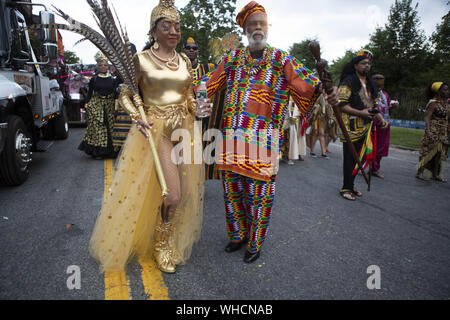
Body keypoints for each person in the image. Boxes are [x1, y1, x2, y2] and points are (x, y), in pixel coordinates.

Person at [195, 1, 338, 263]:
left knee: (259, 194)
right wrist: (196, 95)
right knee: (232, 191)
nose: (257, 28)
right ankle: (237, 236)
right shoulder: (232, 59)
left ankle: (255, 242)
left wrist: (327, 89)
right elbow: (205, 84)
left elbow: (311, 86)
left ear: (267, 27)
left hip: (264, 141)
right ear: (246, 29)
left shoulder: (282, 60)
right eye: (253, 24)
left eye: (262, 24)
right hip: (231, 140)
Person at [89, 0, 212, 274]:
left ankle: (166, 235)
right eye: (166, 26)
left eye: (177, 26)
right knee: (171, 194)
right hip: (156, 131)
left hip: (185, 132)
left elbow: (190, 98)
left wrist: (199, 108)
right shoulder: (141, 60)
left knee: (185, 193)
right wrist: (138, 116)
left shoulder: (185, 62)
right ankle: (161, 245)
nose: (174, 31)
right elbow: (125, 95)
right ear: (153, 31)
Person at [338, 50, 388, 201]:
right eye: (363, 63)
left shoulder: (371, 84)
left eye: (369, 64)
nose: (367, 66)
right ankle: (346, 188)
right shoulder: (348, 82)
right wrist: (362, 113)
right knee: (350, 158)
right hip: (351, 127)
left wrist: (380, 118)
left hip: (366, 127)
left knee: (359, 158)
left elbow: (372, 105)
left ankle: (351, 186)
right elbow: (341, 105)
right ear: (355, 66)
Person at [78, 52, 121, 159]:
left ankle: (111, 151)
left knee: (110, 128)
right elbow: (90, 92)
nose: (103, 67)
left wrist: (116, 105)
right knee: (99, 128)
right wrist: (87, 104)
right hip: (97, 105)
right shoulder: (94, 79)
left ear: (108, 66)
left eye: (105, 65)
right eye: (101, 65)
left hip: (109, 105)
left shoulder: (112, 79)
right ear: (98, 66)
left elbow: (116, 93)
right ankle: (99, 152)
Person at [416, 82, 449, 182]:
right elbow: (427, 117)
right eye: (445, 90)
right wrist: (428, 131)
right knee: (428, 151)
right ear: (438, 91)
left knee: (439, 153)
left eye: (447, 89)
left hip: (443, 131)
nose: (447, 92)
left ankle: (435, 174)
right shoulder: (433, 103)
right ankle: (420, 172)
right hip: (433, 130)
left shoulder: (446, 103)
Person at [370, 74, 399, 179]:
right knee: (370, 146)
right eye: (379, 81)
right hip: (372, 124)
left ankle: (374, 168)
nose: (381, 84)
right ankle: (363, 165)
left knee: (381, 147)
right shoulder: (369, 93)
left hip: (384, 124)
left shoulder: (385, 95)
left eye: (382, 81)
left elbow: (387, 109)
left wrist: (393, 107)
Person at [281, 98, 306, 165]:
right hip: (287, 115)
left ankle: (295, 154)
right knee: (289, 137)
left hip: (296, 116)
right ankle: (287, 156)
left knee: (295, 137)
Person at [308, 94, 330, 159]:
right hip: (315, 117)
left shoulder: (326, 94)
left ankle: (323, 152)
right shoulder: (316, 95)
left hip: (323, 118)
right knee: (315, 133)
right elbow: (311, 105)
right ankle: (312, 151)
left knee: (322, 134)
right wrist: (317, 107)